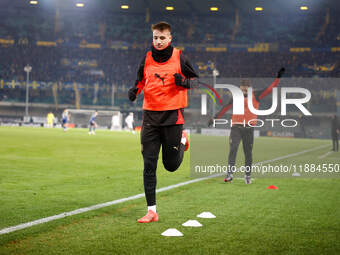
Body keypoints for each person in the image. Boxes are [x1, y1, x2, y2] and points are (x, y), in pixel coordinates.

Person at [128, 21, 198, 223]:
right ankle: (152, 211)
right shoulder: (147, 57)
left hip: (172, 118)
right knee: (149, 164)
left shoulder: (179, 57)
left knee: (170, 166)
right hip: (150, 117)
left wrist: (183, 82)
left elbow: (196, 80)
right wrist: (135, 90)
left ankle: (183, 141)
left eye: (161, 38)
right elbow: (141, 79)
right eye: (155, 37)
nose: (157, 41)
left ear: (170, 38)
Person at [211, 68, 285, 184]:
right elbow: (225, 108)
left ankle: (247, 175)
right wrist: (214, 119)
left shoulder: (256, 95)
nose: (244, 88)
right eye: (243, 86)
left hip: (249, 129)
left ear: (250, 88)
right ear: (240, 87)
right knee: (233, 149)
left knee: (248, 153)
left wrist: (278, 78)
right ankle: (230, 175)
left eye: (247, 87)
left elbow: (271, 89)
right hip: (236, 127)